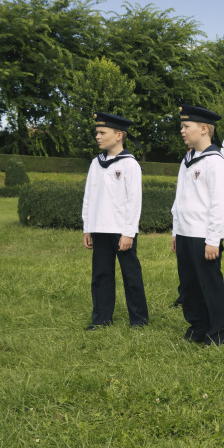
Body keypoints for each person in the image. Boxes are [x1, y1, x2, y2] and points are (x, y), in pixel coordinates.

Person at [81, 112, 148, 331]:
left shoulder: (130, 164)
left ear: (119, 135)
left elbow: (134, 201)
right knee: (101, 275)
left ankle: (138, 319)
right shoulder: (95, 163)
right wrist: (87, 227)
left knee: (131, 274)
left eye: (102, 133)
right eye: (96, 133)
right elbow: (89, 197)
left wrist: (129, 232)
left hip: (121, 231)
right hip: (99, 228)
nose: (97, 137)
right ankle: (101, 318)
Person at [171, 104, 224, 346]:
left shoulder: (215, 162)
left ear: (204, 129)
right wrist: (176, 230)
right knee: (189, 285)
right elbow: (179, 198)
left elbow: (219, 205)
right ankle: (198, 326)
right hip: (186, 232)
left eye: (187, 126)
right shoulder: (188, 159)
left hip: (204, 236)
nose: (182, 131)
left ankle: (218, 332)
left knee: (209, 284)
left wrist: (213, 239)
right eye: (182, 127)